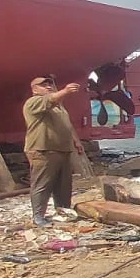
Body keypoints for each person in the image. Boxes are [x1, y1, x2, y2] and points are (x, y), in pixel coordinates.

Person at [23, 76, 87, 227]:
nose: (48, 86)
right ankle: (38, 216)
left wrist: (76, 142)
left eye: (50, 84)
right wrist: (65, 91)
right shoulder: (34, 102)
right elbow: (49, 100)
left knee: (63, 185)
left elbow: (67, 125)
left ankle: (63, 212)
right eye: (43, 85)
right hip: (43, 150)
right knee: (42, 184)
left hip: (62, 150)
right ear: (35, 89)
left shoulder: (59, 108)